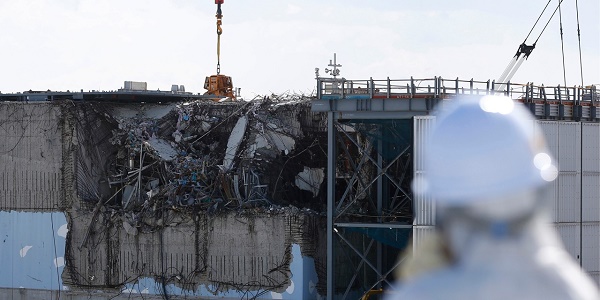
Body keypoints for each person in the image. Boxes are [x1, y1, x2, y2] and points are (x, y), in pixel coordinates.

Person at [388, 95, 599, 300]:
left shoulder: (422, 293)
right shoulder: (573, 290)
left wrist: (418, 286)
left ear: (444, 204)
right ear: (539, 191)